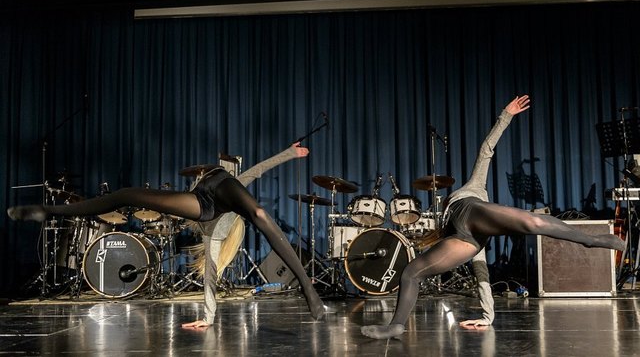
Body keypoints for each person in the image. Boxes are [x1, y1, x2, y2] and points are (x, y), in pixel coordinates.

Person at [361, 95, 625, 339]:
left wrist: (505, 116)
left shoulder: (475, 187)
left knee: (531, 222)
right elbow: (481, 274)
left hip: (472, 212)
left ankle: (590, 240)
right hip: (464, 239)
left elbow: (486, 149)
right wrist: (488, 317)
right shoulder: (460, 236)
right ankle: (396, 326)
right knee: (411, 272)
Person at [7, 144, 325, 321]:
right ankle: (46, 211)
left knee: (259, 214)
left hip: (221, 193)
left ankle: (308, 289)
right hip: (203, 200)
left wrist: (209, 317)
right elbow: (259, 170)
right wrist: (289, 153)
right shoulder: (205, 217)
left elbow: (211, 275)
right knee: (126, 194)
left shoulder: (218, 225)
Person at [182, 142, 309, 330]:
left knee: (211, 269)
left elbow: (258, 169)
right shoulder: (198, 209)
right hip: (212, 227)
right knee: (211, 270)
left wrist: (290, 153)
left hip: (219, 225)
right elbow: (210, 275)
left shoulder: (226, 195)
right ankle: (208, 317)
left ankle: (209, 317)